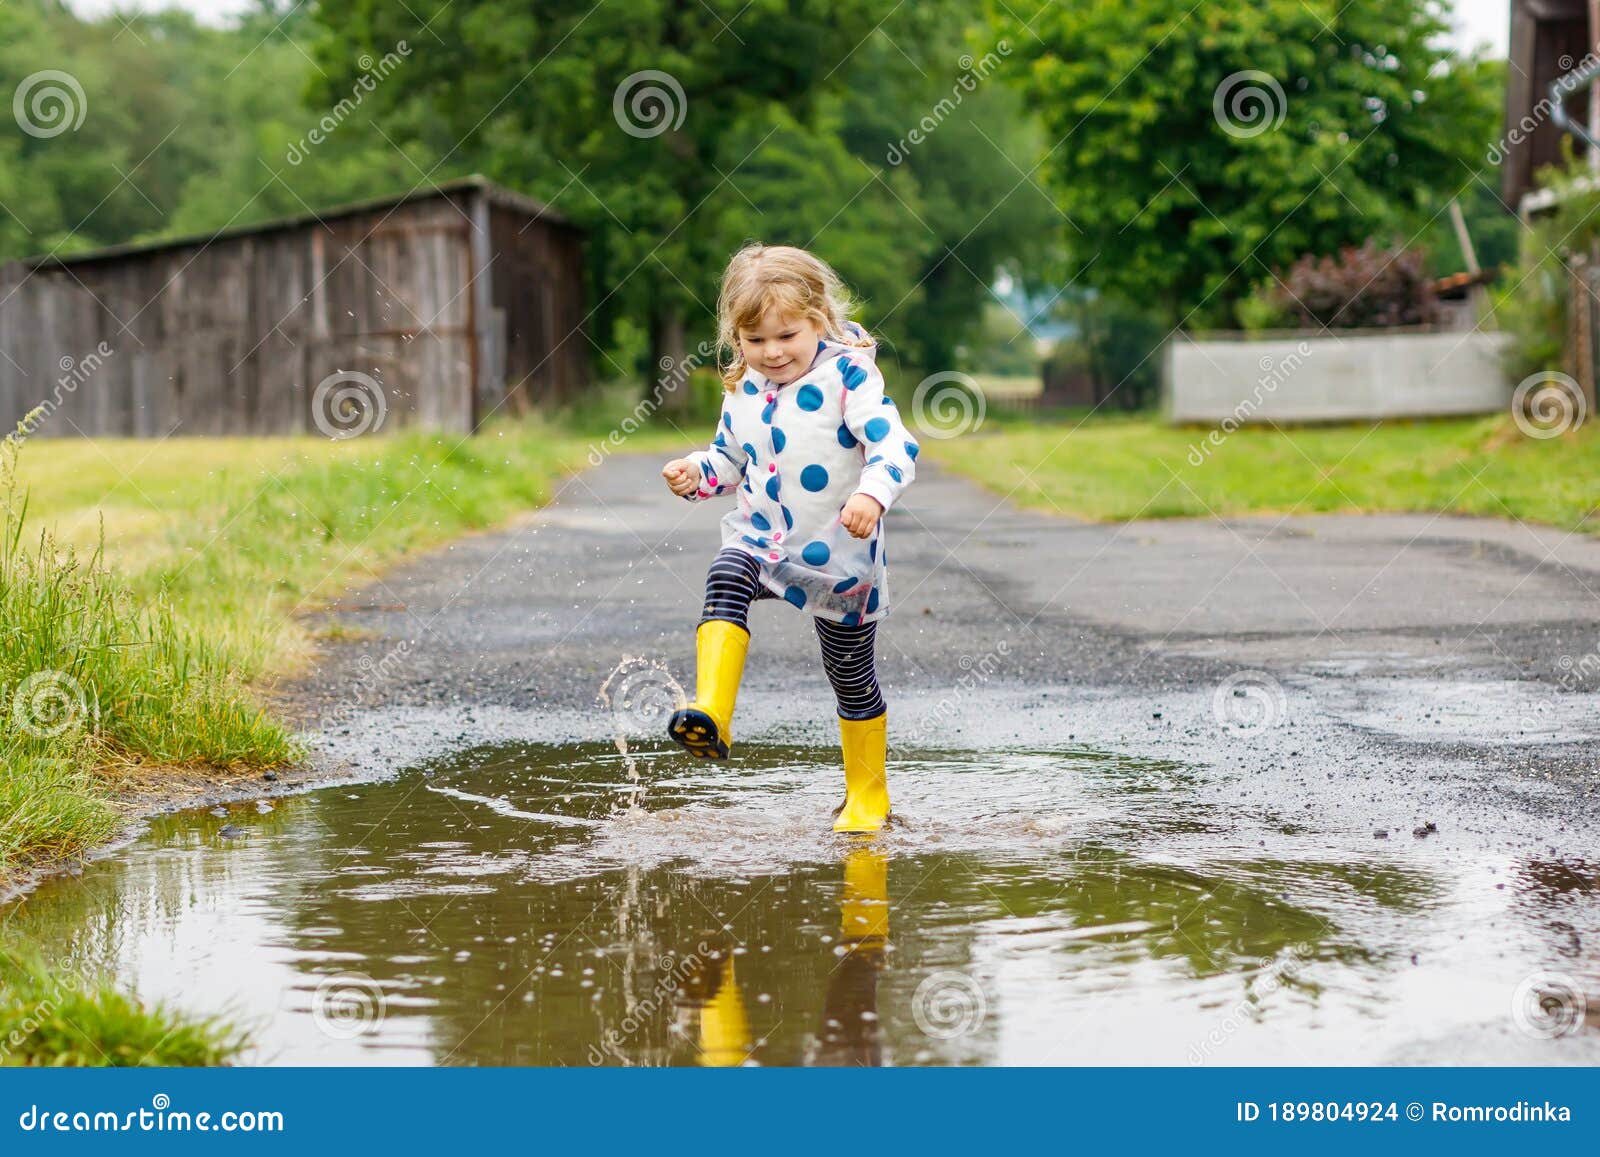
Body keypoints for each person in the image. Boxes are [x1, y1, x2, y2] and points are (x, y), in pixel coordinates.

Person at [660, 243, 919, 832]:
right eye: (755, 340)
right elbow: (730, 459)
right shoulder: (743, 386)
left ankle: (866, 796)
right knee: (725, 572)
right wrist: (696, 473)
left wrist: (871, 495)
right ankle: (712, 713)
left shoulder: (849, 376)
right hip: (763, 540)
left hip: (839, 554)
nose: (772, 353)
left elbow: (893, 446)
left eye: (786, 336)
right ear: (736, 338)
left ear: (819, 320)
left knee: (850, 675)